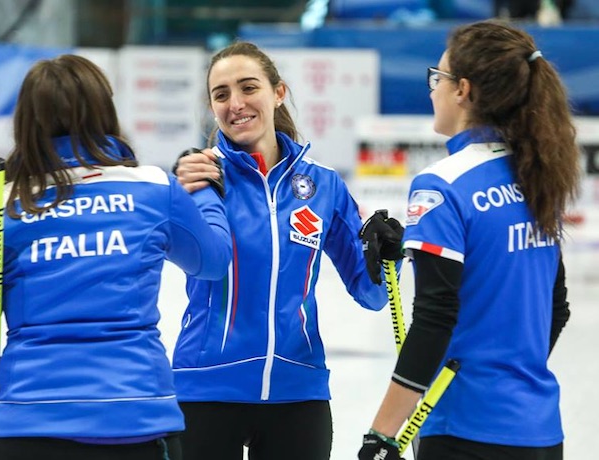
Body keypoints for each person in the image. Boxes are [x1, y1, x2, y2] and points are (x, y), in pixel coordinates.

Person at [0, 54, 232, 460]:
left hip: (27, 425)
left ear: (26, 120)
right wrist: (204, 191)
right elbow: (214, 261)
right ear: (104, 110)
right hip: (135, 423)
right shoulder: (153, 188)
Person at [357, 20, 579, 460]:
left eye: (436, 78)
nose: (431, 89)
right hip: (538, 430)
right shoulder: (535, 174)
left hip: (465, 430)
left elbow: (436, 319)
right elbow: (555, 306)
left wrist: (381, 434)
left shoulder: (442, 184)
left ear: (462, 90)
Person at [171, 41, 403, 460]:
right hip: (206, 388)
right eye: (221, 94)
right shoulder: (199, 178)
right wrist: (176, 194)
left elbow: (372, 295)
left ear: (278, 92)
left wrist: (386, 256)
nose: (236, 103)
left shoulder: (323, 185)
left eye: (248, 87)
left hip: (298, 391)